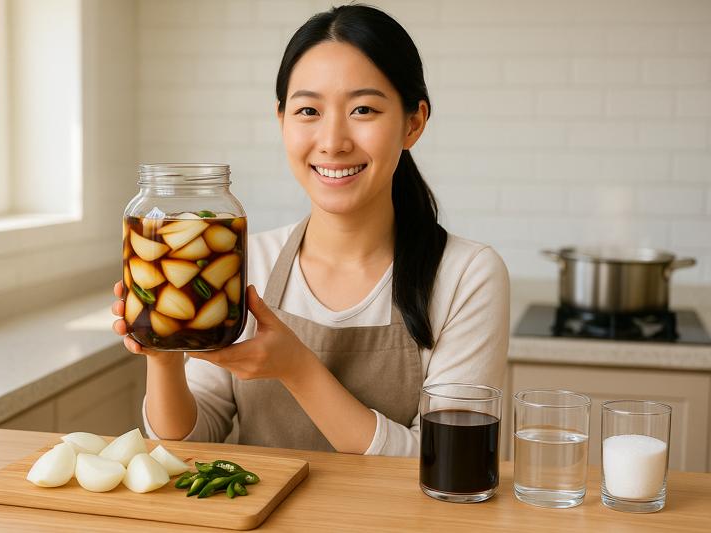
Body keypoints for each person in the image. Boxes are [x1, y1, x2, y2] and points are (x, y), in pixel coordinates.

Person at [111, 4, 509, 457]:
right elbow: (193, 440)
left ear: (412, 123)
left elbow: (447, 459)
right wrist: (163, 356)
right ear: (281, 120)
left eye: (363, 109)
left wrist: (299, 369)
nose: (333, 141)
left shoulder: (466, 275)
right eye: (308, 111)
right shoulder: (245, 259)